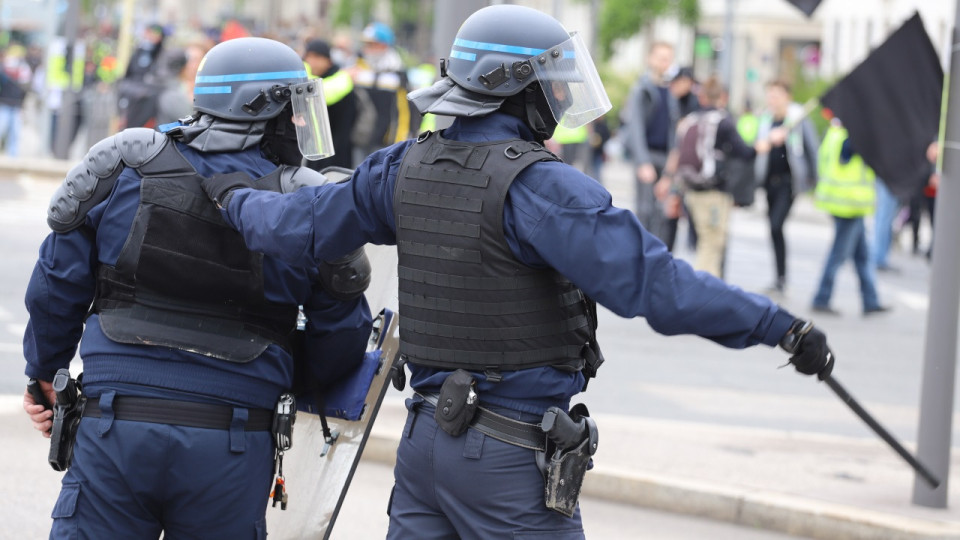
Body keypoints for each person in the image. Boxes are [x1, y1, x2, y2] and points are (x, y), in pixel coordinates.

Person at [199, 6, 835, 537]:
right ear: (517, 87)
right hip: (508, 460)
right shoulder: (542, 188)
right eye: (552, 83)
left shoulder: (401, 167)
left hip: (424, 449)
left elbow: (297, 227)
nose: (560, 97)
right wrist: (778, 326)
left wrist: (227, 190)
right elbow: (658, 288)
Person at [22, 37, 373, 538]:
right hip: (234, 438)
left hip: (114, 424)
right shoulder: (306, 206)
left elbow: (56, 283)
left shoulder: (124, 168)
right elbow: (340, 332)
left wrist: (43, 371)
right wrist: (285, 380)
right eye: (292, 111)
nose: (299, 124)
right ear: (264, 110)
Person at [659, 77, 758, 278]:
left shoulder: (688, 121)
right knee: (711, 243)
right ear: (723, 97)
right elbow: (745, 152)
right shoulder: (723, 121)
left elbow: (677, 155)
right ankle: (703, 292)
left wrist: (672, 189)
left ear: (702, 97)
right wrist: (761, 146)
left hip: (691, 190)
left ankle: (710, 290)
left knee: (704, 239)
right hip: (714, 192)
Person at [811, 119, 889, 316]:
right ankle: (821, 297)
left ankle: (870, 300)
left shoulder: (836, 131)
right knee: (838, 254)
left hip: (845, 203)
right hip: (849, 204)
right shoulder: (851, 135)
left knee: (862, 255)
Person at [754, 80, 819, 294]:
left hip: (788, 182)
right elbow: (758, 147)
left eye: (777, 95)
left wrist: (814, 180)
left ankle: (781, 277)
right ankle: (779, 277)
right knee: (773, 230)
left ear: (787, 97)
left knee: (776, 225)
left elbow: (812, 149)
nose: (773, 99)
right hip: (768, 182)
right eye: (770, 95)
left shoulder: (797, 121)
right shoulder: (765, 121)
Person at [622, 41, 680, 247]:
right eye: (661, 57)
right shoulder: (642, 88)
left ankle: (658, 260)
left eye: (668, 58)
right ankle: (641, 260)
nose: (665, 62)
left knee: (663, 214)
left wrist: (671, 168)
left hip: (667, 158)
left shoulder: (673, 91)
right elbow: (634, 126)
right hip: (648, 155)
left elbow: (677, 130)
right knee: (645, 210)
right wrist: (642, 161)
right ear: (650, 59)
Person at [349, 22, 416, 164]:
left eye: (372, 44)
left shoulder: (397, 72)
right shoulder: (356, 69)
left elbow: (404, 111)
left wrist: (400, 142)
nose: (367, 49)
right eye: (366, 44)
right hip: (359, 139)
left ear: (384, 45)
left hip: (385, 143)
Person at [303, 38, 357, 170]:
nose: (312, 62)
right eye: (309, 57)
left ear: (328, 60)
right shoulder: (308, 78)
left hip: (338, 150)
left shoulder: (340, 80)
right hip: (316, 150)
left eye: (317, 57)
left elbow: (323, 94)